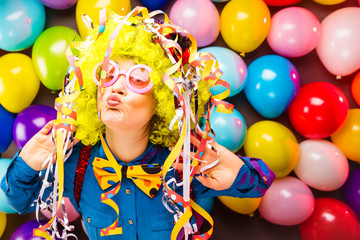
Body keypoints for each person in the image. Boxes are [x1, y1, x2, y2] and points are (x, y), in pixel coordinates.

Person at [1, 7, 275, 240]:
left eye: (137, 78)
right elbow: (20, 201)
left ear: (162, 100)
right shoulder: (76, 165)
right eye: (107, 74)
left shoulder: (185, 166)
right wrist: (27, 162)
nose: (116, 88)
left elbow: (260, 184)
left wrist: (237, 172)